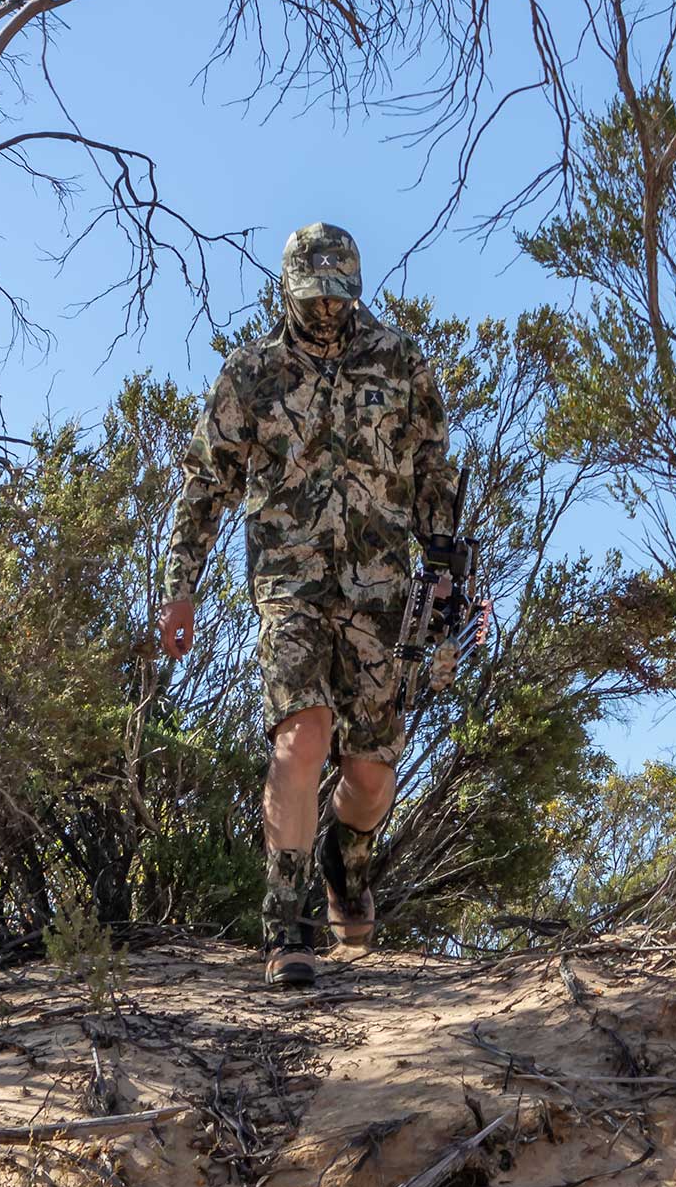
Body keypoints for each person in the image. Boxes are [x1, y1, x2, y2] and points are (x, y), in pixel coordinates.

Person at [155, 222, 457, 987]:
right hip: (288, 587)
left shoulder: (399, 361)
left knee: (372, 775)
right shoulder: (252, 373)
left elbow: (432, 466)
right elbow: (205, 483)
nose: (326, 309)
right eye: (314, 295)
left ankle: (344, 861)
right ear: (288, 289)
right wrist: (180, 587)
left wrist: (443, 562)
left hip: (381, 592)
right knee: (301, 736)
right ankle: (284, 924)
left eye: (338, 295)